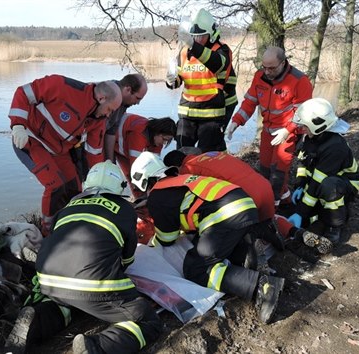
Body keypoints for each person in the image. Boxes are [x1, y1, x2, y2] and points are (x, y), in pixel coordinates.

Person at [5, 161, 162, 354]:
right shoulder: (125, 209)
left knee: (69, 302)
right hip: (91, 283)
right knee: (147, 320)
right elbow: (127, 260)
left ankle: (37, 320)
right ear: (119, 187)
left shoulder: (69, 206)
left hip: (48, 279)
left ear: (87, 184)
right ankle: (96, 347)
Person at [130, 152, 285, 324]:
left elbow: (167, 239)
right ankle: (260, 238)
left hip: (224, 215)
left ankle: (261, 286)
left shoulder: (157, 196)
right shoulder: (183, 179)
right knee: (223, 253)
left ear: (145, 182)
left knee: (197, 268)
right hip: (245, 205)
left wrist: (152, 245)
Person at [9, 75, 122, 234]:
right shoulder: (63, 86)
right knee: (55, 186)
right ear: (102, 98)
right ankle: (48, 232)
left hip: (58, 150)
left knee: (75, 189)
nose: (109, 115)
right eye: (110, 109)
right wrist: (17, 124)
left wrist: (99, 181)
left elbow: (94, 152)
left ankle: (68, 225)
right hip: (30, 138)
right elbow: (24, 92)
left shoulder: (98, 120)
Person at [163, 149, 333, 254]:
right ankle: (298, 233)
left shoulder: (188, 170)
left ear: (176, 168)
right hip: (263, 187)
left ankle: (254, 245)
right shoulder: (210, 154)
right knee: (270, 219)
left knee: (236, 228)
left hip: (245, 197)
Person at [225, 46, 313, 208]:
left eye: (271, 68)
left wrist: (288, 130)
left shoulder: (300, 81)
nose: (267, 72)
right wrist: (236, 122)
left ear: (283, 63)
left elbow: (303, 113)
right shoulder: (259, 77)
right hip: (267, 130)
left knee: (278, 172)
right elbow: (250, 103)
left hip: (288, 132)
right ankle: (285, 198)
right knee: (265, 169)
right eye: (264, 67)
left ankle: (273, 208)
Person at [286, 98, 359, 244]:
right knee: (305, 212)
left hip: (343, 184)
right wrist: (300, 184)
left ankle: (335, 225)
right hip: (321, 180)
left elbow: (318, 181)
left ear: (318, 125)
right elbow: (303, 161)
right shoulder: (311, 137)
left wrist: (301, 211)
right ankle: (320, 213)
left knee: (329, 187)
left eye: (304, 126)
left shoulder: (335, 147)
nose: (302, 129)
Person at [166, 8, 238, 153]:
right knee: (182, 154)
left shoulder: (221, 50)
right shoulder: (185, 52)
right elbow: (179, 80)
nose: (198, 39)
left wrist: (193, 45)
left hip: (211, 115)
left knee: (209, 156)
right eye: (194, 37)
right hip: (187, 114)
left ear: (211, 34)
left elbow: (216, 63)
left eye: (201, 36)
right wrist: (171, 80)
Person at [114, 114, 176, 198]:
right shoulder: (139, 133)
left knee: (141, 177)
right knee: (132, 175)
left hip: (123, 144)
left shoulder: (157, 140)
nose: (164, 143)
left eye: (167, 141)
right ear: (157, 132)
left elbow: (156, 167)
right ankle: (139, 199)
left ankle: (141, 199)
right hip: (112, 140)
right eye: (164, 139)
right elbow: (136, 169)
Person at [104, 73, 148, 162]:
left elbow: (111, 132)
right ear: (128, 89)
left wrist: (110, 160)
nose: (137, 103)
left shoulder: (124, 103)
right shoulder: (107, 95)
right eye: (137, 98)